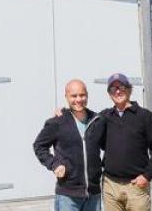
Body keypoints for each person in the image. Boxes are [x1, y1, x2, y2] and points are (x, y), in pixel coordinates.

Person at [33, 79, 106, 211]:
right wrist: (53, 164)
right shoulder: (57, 122)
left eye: (82, 95)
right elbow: (39, 146)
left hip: (94, 194)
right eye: (74, 96)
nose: (78, 99)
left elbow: (109, 146)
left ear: (87, 95)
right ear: (66, 96)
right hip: (68, 195)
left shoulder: (98, 121)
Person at [101, 73, 152, 211]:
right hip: (111, 186)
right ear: (109, 94)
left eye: (121, 87)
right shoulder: (105, 116)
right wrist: (64, 112)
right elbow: (83, 116)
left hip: (136, 186)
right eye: (113, 89)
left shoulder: (144, 116)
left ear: (129, 89)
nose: (117, 91)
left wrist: (147, 176)